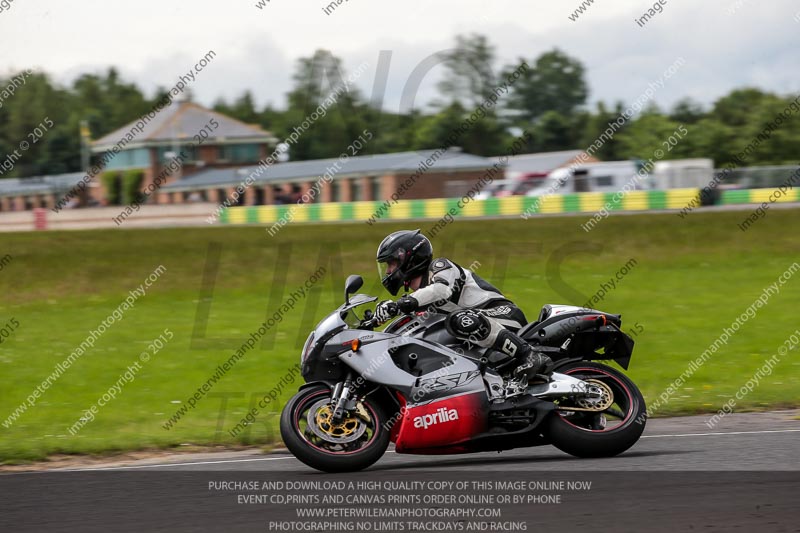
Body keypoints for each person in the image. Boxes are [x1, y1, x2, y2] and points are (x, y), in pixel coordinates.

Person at [374, 229, 552, 385]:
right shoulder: (417, 298)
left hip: (502, 313)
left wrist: (400, 305)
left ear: (408, 259)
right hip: (479, 328)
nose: (389, 271)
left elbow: (440, 290)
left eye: (391, 263)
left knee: (459, 319)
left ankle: (529, 354)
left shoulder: (440, 267)